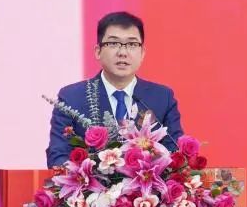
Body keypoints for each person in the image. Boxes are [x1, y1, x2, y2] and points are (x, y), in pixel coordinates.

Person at [46, 11, 184, 168]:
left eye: (132, 44)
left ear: (142, 53)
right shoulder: (71, 98)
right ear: (98, 51)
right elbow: (58, 158)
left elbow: (176, 156)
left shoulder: (162, 98)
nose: (122, 53)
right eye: (113, 43)